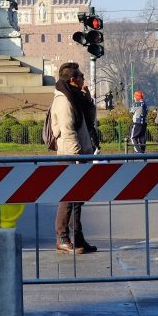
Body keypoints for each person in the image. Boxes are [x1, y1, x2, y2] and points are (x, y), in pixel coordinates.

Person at [51, 62, 98, 254]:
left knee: (78, 198)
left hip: (80, 153)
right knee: (68, 198)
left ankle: (78, 238)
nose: (83, 79)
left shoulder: (76, 97)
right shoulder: (63, 100)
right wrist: (77, 157)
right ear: (72, 80)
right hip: (70, 155)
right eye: (81, 76)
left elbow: (90, 120)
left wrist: (88, 99)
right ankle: (62, 237)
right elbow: (68, 131)